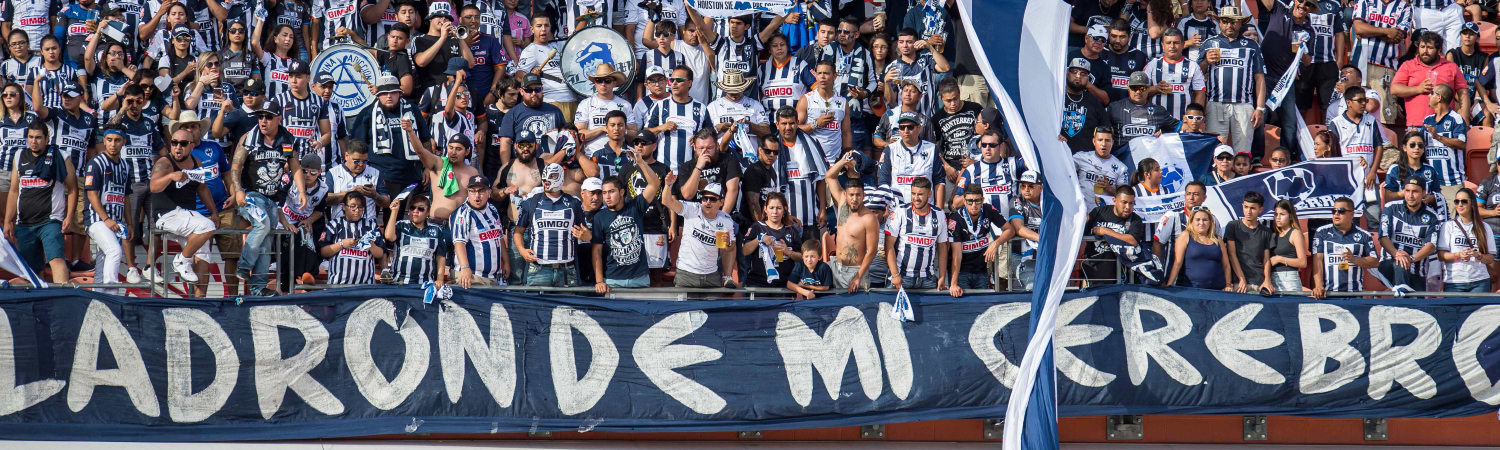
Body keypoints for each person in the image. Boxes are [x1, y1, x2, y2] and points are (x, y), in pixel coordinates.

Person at [229, 100, 307, 292]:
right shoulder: (249, 137)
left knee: (265, 245)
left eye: (268, 117)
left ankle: (258, 289)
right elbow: (236, 165)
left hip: (272, 199)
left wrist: (302, 191)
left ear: (279, 118)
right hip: (251, 195)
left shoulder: (287, 140)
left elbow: (295, 166)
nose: (263, 120)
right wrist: (238, 190)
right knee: (262, 223)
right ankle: (244, 266)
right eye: (260, 116)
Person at [4, 121, 76, 284]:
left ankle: (63, 297)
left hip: (50, 221)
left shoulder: (60, 156)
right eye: (30, 137)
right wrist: (8, 220)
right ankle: (40, 298)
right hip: (24, 223)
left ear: (47, 138)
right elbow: (14, 191)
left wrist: (69, 216)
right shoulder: (19, 156)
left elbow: (72, 188)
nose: (33, 141)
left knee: (56, 259)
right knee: (32, 269)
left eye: (38, 137)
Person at [149, 123, 219, 287]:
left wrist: (214, 212)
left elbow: (202, 188)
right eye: (174, 143)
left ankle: (200, 297)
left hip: (186, 215)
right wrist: (170, 177)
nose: (178, 147)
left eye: (183, 144)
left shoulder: (197, 162)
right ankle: (181, 260)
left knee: (203, 250)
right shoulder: (164, 163)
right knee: (207, 226)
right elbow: (153, 186)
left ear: (191, 146)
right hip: (167, 214)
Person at [591, 151, 662, 292]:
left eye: (611, 192)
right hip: (613, 280)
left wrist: (640, 162)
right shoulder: (599, 217)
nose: (607, 197)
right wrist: (599, 281)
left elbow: (654, 184)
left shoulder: (635, 207)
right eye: (604, 193)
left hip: (640, 278)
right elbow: (597, 250)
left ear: (622, 192)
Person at [1200, 7, 1267, 156]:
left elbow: (1260, 78)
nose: (1229, 25)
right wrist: (1206, 62)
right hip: (1216, 104)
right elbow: (1196, 75)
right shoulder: (1209, 43)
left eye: (1233, 22)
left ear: (1240, 23)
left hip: (1244, 105)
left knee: (1242, 152)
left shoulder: (1252, 45)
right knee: (1216, 151)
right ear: (1219, 23)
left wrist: (1260, 108)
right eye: (1225, 21)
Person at [349, 74, 430, 197]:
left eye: (393, 92)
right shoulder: (367, 113)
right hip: (377, 176)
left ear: (400, 93)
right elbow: (357, 146)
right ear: (377, 95)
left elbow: (426, 140)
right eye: (384, 93)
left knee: (403, 210)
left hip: (409, 176)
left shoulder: (413, 110)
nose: (389, 96)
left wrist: (428, 168)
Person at [514, 163, 589, 286]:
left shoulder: (574, 202)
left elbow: (587, 235)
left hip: (567, 269)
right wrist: (522, 251)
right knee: (535, 300)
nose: (547, 180)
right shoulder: (530, 202)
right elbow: (518, 232)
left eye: (552, 176)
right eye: (545, 177)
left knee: (569, 300)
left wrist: (584, 236)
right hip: (538, 269)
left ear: (561, 177)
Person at [661, 178, 740, 288]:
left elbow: (731, 248)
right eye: (704, 198)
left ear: (721, 202)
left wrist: (728, 243)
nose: (708, 202)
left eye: (712, 199)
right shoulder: (692, 209)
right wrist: (668, 185)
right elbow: (666, 201)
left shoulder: (725, 220)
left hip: (711, 276)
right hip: (686, 274)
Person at [884, 177, 956, 293]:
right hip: (901, 276)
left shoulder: (939, 214)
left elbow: (942, 246)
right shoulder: (900, 211)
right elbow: (888, 245)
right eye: (913, 193)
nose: (916, 198)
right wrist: (895, 274)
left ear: (929, 194)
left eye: (920, 194)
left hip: (928, 278)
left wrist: (942, 276)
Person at [82, 127, 132, 293]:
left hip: (115, 222)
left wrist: (130, 223)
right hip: (97, 219)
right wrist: (106, 219)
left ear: (124, 142)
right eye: (109, 140)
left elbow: (126, 196)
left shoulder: (125, 166)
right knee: (114, 251)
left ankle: (98, 299)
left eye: (117, 140)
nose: (113, 144)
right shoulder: (95, 163)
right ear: (104, 141)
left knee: (104, 260)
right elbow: (92, 195)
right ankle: (112, 293)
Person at [1352, 0, 1412, 127]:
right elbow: (1358, 28)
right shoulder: (1365, 1)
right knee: (1356, 112)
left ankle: (1383, 140)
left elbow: (1397, 37)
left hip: (1386, 67)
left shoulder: (1404, 7)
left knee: (1384, 116)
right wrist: (1387, 31)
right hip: (1360, 65)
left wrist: (1368, 31)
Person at [1394, 32, 1469, 133]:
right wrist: (1418, 89)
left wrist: (1464, 119)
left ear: (1439, 50)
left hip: (1444, 125)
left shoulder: (1451, 67)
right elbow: (1394, 89)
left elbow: (1463, 94)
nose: (1425, 51)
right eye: (1422, 47)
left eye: (1429, 47)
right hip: (1416, 125)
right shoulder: (1408, 65)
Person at [1379, 175, 1442, 295]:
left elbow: (1431, 245)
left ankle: (1401, 290)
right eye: (1407, 191)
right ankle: (1401, 290)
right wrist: (1397, 254)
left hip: (1417, 269)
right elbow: (1383, 237)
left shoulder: (1432, 216)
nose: (1410, 195)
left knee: (1418, 305)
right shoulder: (1391, 208)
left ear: (1424, 193)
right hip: (1390, 264)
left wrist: (1411, 258)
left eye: (1415, 191)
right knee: (1400, 263)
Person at [826, 162, 881, 292]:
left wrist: (858, 276)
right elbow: (829, 176)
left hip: (854, 271)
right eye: (851, 195)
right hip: (836, 266)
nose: (854, 199)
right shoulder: (842, 204)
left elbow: (872, 251)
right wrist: (844, 161)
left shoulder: (869, 218)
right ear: (845, 195)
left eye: (858, 195)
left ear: (864, 196)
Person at [644, 65, 711, 173]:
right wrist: (661, 128)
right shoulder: (660, 105)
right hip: (664, 170)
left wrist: (699, 138)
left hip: (692, 170)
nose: (674, 83)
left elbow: (711, 136)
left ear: (689, 83)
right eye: (672, 80)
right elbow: (645, 134)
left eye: (679, 80)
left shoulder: (701, 108)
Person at [1311, 197, 1380, 298]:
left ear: (1352, 214)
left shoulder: (1364, 235)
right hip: (1329, 295)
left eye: (1341, 211)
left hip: (1355, 295)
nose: (1336, 214)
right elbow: (1317, 261)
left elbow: (1375, 262)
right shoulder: (1322, 232)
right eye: (1334, 211)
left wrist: (1355, 259)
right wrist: (1318, 286)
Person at [1082, 186, 1152, 284]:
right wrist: (1082, 221)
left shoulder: (1135, 219)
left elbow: (1133, 241)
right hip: (1093, 266)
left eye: (1131, 203)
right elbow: (1082, 232)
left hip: (1119, 272)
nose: (1127, 207)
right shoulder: (1099, 212)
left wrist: (1106, 231)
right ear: (1114, 201)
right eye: (1124, 202)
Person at [496, 73, 565, 169]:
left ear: (542, 89)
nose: (533, 93)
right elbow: (505, 143)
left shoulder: (555, 111)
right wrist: (506, 169)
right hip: (524, 167)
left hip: (552, 166)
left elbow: (565, 138)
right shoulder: (512, 114)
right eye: (528, 90)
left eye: (537, 89)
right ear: (521, 91)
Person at [452, 174, 508, 287]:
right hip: (472, 277)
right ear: (468, 192)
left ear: (489, 192)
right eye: (472, 191)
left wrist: (506, 262)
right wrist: (465, 268)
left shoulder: (492, 209)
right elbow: (459, 243)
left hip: (493, 277)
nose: (477, 195)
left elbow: (499, 237)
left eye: (481, 191)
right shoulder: (463, 213)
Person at [318, 193, 386, 285]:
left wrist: (371, 244)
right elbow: (323, 251)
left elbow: (380, 254)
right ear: (343, 206)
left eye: (360, 207)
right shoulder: (334, 225)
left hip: (366, 286)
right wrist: (341, 244)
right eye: (353, 206)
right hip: (338, 285)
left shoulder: (371, 226)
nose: (357, 210)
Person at [879, 111, 944, 206]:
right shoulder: (890, 150)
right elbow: (883, 183)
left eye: (910, 127)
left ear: (919, 128)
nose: (906, 131)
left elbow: (939, 181)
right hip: (897, 209)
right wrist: (886, 209)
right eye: (902, 127)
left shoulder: (932, 149)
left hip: (926, 209)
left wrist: (939, 210)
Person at [950, 183, 1007, 291]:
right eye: (970, 201)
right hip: (962, 273)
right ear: (964, 201)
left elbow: (1010, 230)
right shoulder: (956, 220)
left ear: (983, 200)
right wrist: (953, 284)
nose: (974, 205)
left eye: (977, 201)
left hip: (982, 272)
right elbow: (956, 254)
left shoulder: (988, 210)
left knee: (984, 300)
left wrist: (996, 243)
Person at [384, 193, 449, 286]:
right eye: (412, 208)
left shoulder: (437, 230)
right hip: (399, 282)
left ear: (428, 212)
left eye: (420, 208)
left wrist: (440, 279)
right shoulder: (401, 225)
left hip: (426, 284)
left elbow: (440, 257)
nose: (415, 211)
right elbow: (389, 236)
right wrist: (394, 211)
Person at [1437, 188, 1495, 292]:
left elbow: (1490, 258)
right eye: (1457, 201)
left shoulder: (1485, 227)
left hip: (1480, 281)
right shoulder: (1448, 226)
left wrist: (1478, 255)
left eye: (1464, 201)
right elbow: (1441, 255)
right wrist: (1458, 255)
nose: (1460, 204)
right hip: (1454, 282)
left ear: (1472, 204)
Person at [739, 192, 802, 288]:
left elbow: (801, 256)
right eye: (771, 208)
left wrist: (788, 252)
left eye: (779, 208)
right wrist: (759, 239)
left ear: (784, 209)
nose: (775, 212)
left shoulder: (791, 230)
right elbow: (744, 251)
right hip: (757, 283)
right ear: (765, 209)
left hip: (784, 285)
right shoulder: (757, 227)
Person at [1327, 85, 1385, 188]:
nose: (1363, 103)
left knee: (1373, 200)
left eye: (1365, 100)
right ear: (1349, 103)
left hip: (1369, 178)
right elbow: (1333, 151)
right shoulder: (1336, 123)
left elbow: (1379, 146)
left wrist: (1373, 171)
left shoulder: (1371, 120)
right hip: (1346, 179)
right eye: (1359, 100)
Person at [575, 63, 639, 155]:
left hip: (620, 155)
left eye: (607, 81)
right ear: (595, 84)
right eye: (599, 80)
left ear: (614, 83)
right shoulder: (585, 104)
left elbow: (634, 134)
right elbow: (578, 135)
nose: (603, 84)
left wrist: (619, 130)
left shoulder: (625, 105)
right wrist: (602, 129)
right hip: (592, 156)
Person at [1143, 28, 1206, 120]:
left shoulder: (1193, 66)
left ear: (1183, 44)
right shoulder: (1153, 64)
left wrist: (1195, 118)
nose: (1172, 46)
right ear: (1162, 45)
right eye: (1168, 43)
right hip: (1157, 120)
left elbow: (1200, 92)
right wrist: (1156, 89)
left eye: (1176, 43)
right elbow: (1141, 90)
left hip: (1183, 121)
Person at [798, 59, 852, 164]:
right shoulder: (806, 99)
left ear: (835, 76)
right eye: (819, 73)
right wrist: (816, 124)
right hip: (812, 161)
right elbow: (795, 129)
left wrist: (847, 158)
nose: (822, 77)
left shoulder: (843, 102)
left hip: (835, 161)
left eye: (826, 73)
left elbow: (846, 133)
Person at [1420, 84, 1467, 203]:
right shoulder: (1427, 120)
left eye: (1432, 93)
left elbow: (1461, 144)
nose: (1428, 96)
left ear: (1439, 97)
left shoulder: (1455, 118)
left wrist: (1438, 137)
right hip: (1429, 182)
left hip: (1451, 183)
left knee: (1452, 215)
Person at [1164, 208, 1231, 290]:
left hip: (1218, 290)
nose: (1201, 223)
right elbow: (1177, 263)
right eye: (1198, 220)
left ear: (1210, 222)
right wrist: (1169, 285)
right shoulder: (1185, 236)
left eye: (1205, 220)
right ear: (1192, 221)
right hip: (1192, 289)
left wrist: (1228, 285)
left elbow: (1226, 265)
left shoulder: (1218, 239)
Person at [1110, 71, 1180, 148]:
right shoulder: (1115, 108)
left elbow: (1181, 128)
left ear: (1148, 88)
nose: (1138, 92)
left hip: (1149, 155)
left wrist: (1163, 133)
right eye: (1134, 88)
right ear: (1128, 88)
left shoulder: (1159, 110)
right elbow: (1102, 131)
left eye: (1142, 88)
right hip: (1123, 155)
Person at [418, 132, 478, 220]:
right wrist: (410, 132)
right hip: (437, 223)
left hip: (461, 224)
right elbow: (420, 151)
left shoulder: (473, 172)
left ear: (467, 152)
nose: (453, 152)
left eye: (458, 149)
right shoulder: (438, 164)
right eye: (451, 148)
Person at [1223, 191, 1272, 293]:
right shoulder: (1233, 226)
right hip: (1238, 284)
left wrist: (1267, 280)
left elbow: (1266, 259)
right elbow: (1232, 254)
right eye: (1246, 207)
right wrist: (1241, 278)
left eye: (1253, 208)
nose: (1248, 211)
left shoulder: (1266, 231)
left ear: (1260, 209)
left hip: (1260, 283)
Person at [1062, 58, 1113, 154]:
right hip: (1059, 154)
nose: (1078, 76)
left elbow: (1106, 130)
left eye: (1083, 74)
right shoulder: (1057, 98)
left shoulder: (1094, 102)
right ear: (1067, 74)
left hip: (1087, 157)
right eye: (1074, 72)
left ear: (1088, 79)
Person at [1074, 127, 1130, 206]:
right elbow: (1062, 166)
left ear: (1112, 142)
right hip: (1083, 210)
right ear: (1094, 141)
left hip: (1106, 212)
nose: (1103, 144)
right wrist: (1061, 143)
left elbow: (1125, 197)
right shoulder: (1081, 157)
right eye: (1100, 140)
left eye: (1107, 140)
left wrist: (1109, 188)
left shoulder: (1121, 168)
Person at [1383, 131, 1442, 207]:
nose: (1417, 148)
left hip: (1425, 211)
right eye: (1412, 145)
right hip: (1401, 211)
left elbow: (1438, 196)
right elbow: (1387, 197)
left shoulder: (1431, 170)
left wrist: (1430, 198)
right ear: (1404, 148)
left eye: (1420, 145)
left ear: (1423, 149)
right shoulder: (1395, 169)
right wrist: (1409, 191)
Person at [1100, 19, 1148, 103]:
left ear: (1129, 37)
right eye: (1114, 36)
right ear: (1108, 35)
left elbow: (1145, 87)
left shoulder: (1140, 57)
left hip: (1129, 108)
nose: (1117, 41)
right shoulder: (1100, 53)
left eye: (1122, 37)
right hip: (1101, 107)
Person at [1266, 199, 1308, 293]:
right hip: (1272, 280)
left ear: (1290, 216)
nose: (1278, 218)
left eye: (1282, 214)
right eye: (1276, 214)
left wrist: (1280, 259)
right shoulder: (1274, 235)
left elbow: (1303, 262)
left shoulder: (1295, 233)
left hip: (1289, 279)